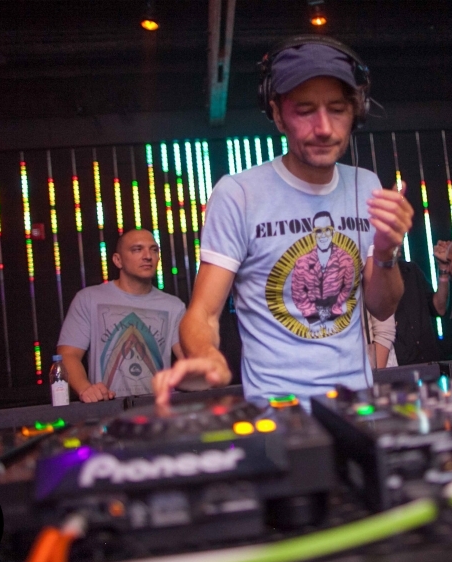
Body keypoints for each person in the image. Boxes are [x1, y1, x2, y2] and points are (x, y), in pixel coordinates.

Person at [151, 36, 412, 406]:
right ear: (276, 113)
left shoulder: (365, 185)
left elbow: (382, 307)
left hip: (356, 408)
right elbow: (203, 314)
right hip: (278, 412)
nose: (324, 127)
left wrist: (386, 253)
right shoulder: (239, 194)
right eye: (305, 110)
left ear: (357, 111)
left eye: (337, 109)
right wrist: (206, 356)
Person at [57, 229, 185, 402]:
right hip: (107, 409)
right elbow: (68, 354)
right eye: (137, 249)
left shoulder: (174, 306)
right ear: (118, 260)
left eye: (154, 250)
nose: (148, 256)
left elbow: (189, 361)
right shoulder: (89, 298)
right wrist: (86, 389)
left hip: (158, 410)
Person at [393, 259, 442, 365]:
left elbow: (439, 309)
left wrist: (444, 273)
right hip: (399, 364)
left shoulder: (412, 270)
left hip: (428, 359)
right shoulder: (373, 280)